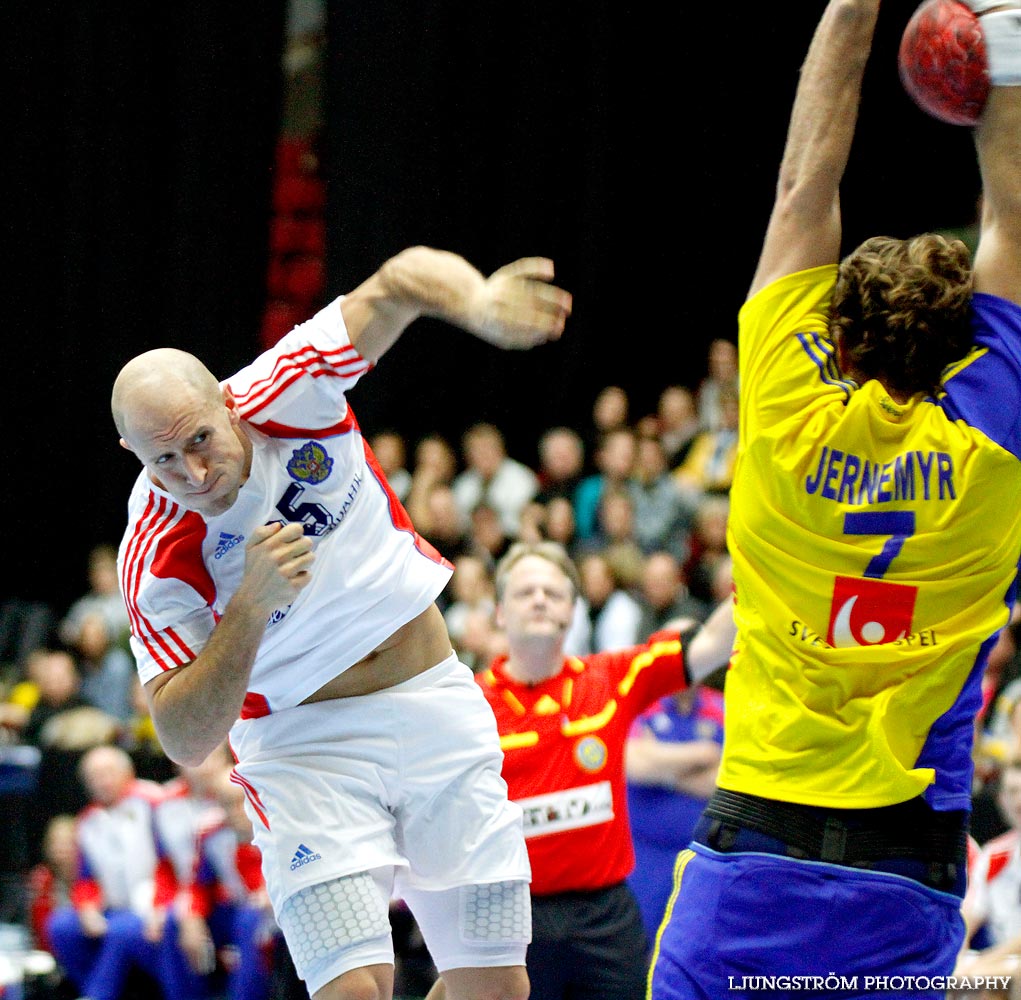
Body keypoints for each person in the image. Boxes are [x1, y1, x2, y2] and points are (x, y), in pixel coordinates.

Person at [649, 2, 1021, 997]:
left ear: (839, 343)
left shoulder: (780, 424)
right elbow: (1012, 216)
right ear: (962, 350)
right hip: (906, 881)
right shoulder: (991, 447)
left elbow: (802, 182)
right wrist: (1008, 35)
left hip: (753, 860)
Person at [111, 246, 572, 1000]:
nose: (192, 474)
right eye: (162, 460)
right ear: (132, 454)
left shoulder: (285, 389)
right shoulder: (156, 553)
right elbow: (184, 739)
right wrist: (250, 606)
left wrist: (480, 303)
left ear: (227, 403)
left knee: (495, 988)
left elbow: (400, 280)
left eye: (199, 440)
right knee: (355, 990)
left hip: (430, 703)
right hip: (302, 749)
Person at [470, 541, 734, 1000]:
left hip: (605, 917)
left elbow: (711, 644)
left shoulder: (610, 678)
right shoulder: (465, 704)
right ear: (499, 612)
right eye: (525, 591)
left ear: (573, 611)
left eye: (553, 593)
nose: (539, 599)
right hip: (509, 920)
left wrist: (764, 566)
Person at [625, 684, 724, 948]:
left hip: (701, 857)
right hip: (644, 855)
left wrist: (661, 768)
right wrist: (703, 753)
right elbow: (634, 765)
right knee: (637, 946)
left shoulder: (722, 707)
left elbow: (727, 777)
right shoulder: (640, 703)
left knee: (691, 947)